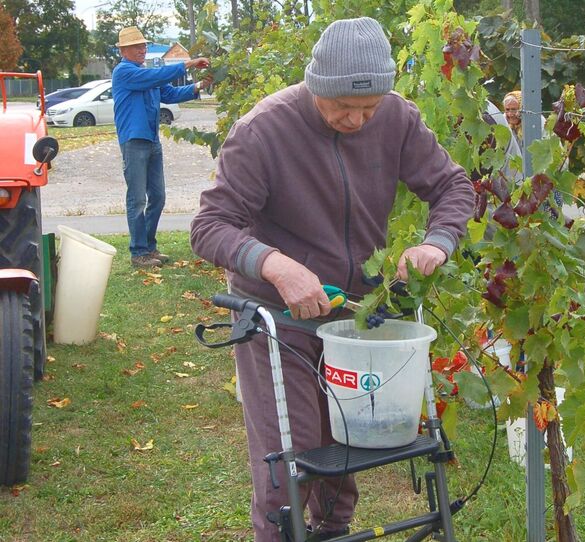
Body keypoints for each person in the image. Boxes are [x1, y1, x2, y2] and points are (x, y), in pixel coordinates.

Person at [190, 16, 473, 541]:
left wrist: (437, 242)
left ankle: (331, 533)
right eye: (342, 106)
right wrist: (275, 264)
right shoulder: (263, 130)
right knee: (290, 457)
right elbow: (209, 227)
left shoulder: (397, 119)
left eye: (368, 107)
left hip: (354, 317)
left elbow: (453, 187)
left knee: (348, 449)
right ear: (315, 86)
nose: (357, 120)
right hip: (279, 321)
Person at [112, 26, 213, 268]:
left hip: (151, 140)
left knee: (157, 196)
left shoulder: (145, 73)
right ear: (124, 50)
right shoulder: (124, 72)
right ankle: (138, 252)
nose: (142, 49)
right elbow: (156, 78)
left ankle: (148, 247)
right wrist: (189, 63)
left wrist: (199, 86)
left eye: (143, 45)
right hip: (134, 141)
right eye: (137, 46)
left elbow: (170, 93)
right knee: (137, 199)